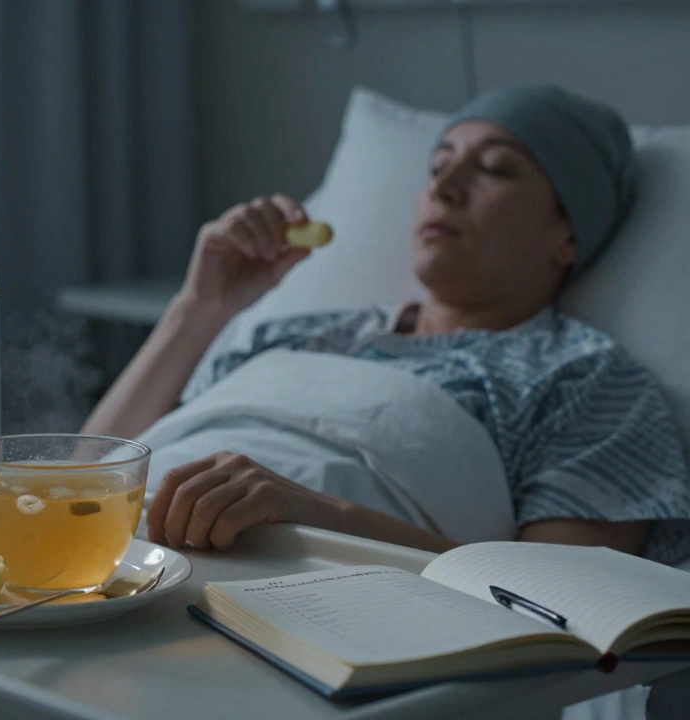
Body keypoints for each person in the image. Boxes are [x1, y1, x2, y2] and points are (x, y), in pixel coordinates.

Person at [82, 85, 690, 564]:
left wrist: (316, 515)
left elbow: (561, 600)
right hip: (100, 558)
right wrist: (200, 310)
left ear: (567, 236)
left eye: (497, 169)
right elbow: (85, 467)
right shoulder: (299, 332)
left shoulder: (586, 382)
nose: (445, 188)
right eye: (438, 165)